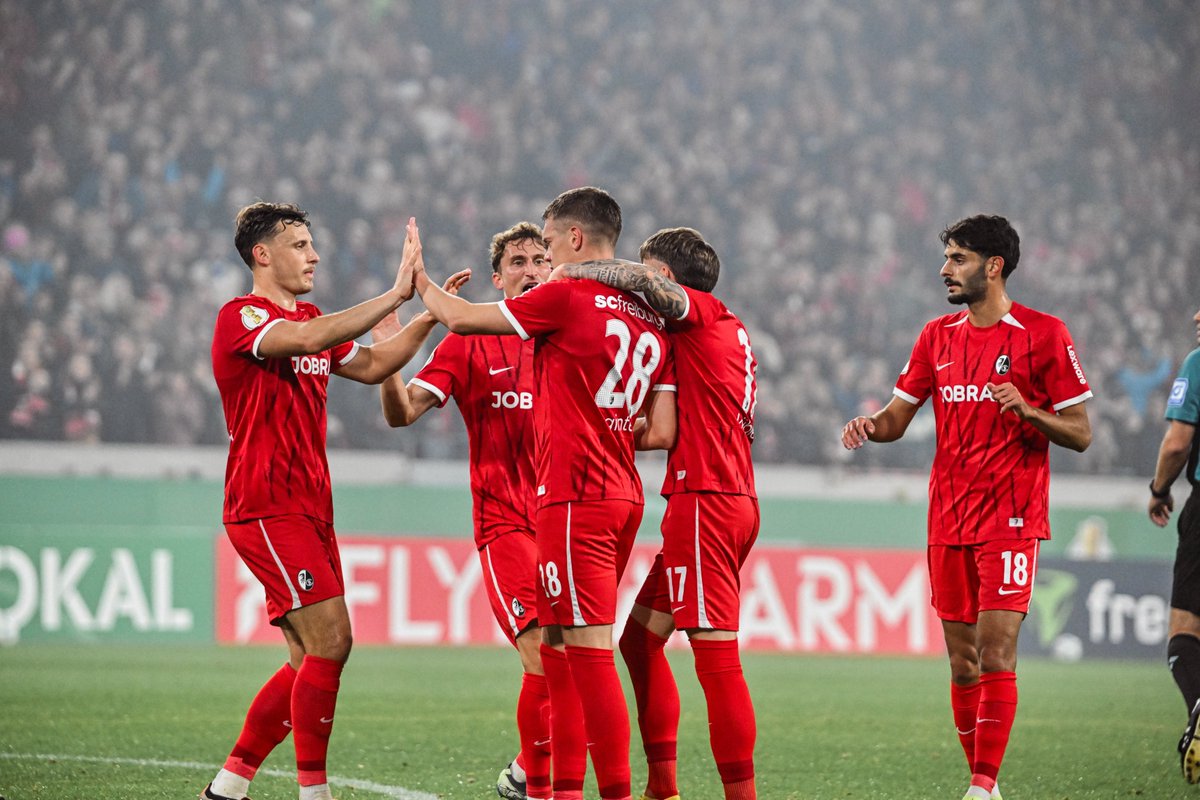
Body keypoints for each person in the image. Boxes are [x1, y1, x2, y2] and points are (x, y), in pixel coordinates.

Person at [412, 187, 676, 800]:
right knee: (559, 653)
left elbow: (461, 318)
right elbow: (660, 429)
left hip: (573, 498)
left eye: (550, 244)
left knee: (584, 659)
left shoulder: (565, 298)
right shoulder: (649, 312)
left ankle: (606, 791)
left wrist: (418, 283)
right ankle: (549, 787)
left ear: (575, 238)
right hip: (624, 493)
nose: (546, 259)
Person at [839, 214, 1092, 800]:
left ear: (993, 266)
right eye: (947, 257)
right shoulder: (936, 336)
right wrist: (870, 425)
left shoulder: (1044, 334)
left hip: (1011, 516)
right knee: (962, 664)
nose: (944, 269)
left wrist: (1029, 411)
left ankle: (981, 785)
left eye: (958, 258)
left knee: (996, 651)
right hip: (948, 517)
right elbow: (897, 419)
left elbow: (1080, 433)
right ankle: (985, 787)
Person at [204, 202, 431, 800]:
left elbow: (376, 364)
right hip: (266, 503)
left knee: (307, 656)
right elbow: (305, 338)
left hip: (309, 506)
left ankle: (228, 787)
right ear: (262, 255)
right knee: (333, 640)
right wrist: (393, 294)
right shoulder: (242, 317)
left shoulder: (309, 319)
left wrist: (430, 315)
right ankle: (314, 791)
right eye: (301, 245)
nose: (315, 256)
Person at [556, 227, 759, 800]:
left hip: (706, 502)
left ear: (665, 277)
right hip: (728, 498)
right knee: (639, 642)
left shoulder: (699, 314)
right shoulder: (727, 329)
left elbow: (642, 282)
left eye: (647, 271)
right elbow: (666, 424)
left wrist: (574, 271)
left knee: (716, 658)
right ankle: (662, 788)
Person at [369, 221, 551, 800]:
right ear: (498, 279)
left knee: (574, 664)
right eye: (518, 262)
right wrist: (388, 355)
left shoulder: (571, 338)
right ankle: (539, 787)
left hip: (567, 525)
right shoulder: (469, 340)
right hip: (506, 524)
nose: (530, 270)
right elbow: (402, 414)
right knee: (543, 653)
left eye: (539, 260)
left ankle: (524, 772)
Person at [1148, 306, 1200, 784]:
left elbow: (1177, 444)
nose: (1198, 316)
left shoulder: (1198, 362)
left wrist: (1159, 488)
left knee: (1185, 629)